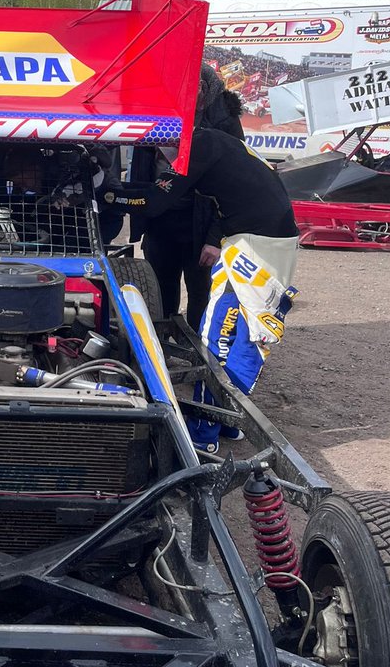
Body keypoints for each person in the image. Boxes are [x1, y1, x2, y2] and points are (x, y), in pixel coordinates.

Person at [100, 128, 299, 453]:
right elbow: (157, 191)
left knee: (215, 334)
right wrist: (117, 190)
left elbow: (152, 203)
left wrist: (105, 196)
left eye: (155, 146)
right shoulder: (212, 140)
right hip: (275, 239)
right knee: (250, 335)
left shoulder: (196, 148)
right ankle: (230, 422)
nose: (159, 156)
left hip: (251, 246)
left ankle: (203, 434)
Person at [129, 65, 244, 331]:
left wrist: (215, 239)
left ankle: (200, 353)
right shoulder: (157, 112)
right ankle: (164, 352)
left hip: (200, 223)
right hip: (161, 219)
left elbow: (231, 185)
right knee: (160, 291)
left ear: (203, 89)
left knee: (201, 294)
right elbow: (141, 169)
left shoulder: (224, 120)